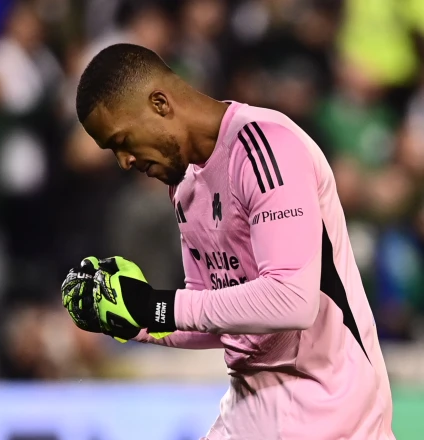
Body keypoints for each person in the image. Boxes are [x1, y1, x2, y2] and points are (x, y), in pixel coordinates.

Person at [61, 43, 395, 440]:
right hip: (250, 414)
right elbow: (216, 314)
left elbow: (291, 299)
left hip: (330, 418)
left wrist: (155, 306)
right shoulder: (185, 184)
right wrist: (132, 316)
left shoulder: (265, 148)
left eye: (122, 140)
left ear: (159, 104)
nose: (124, 161)